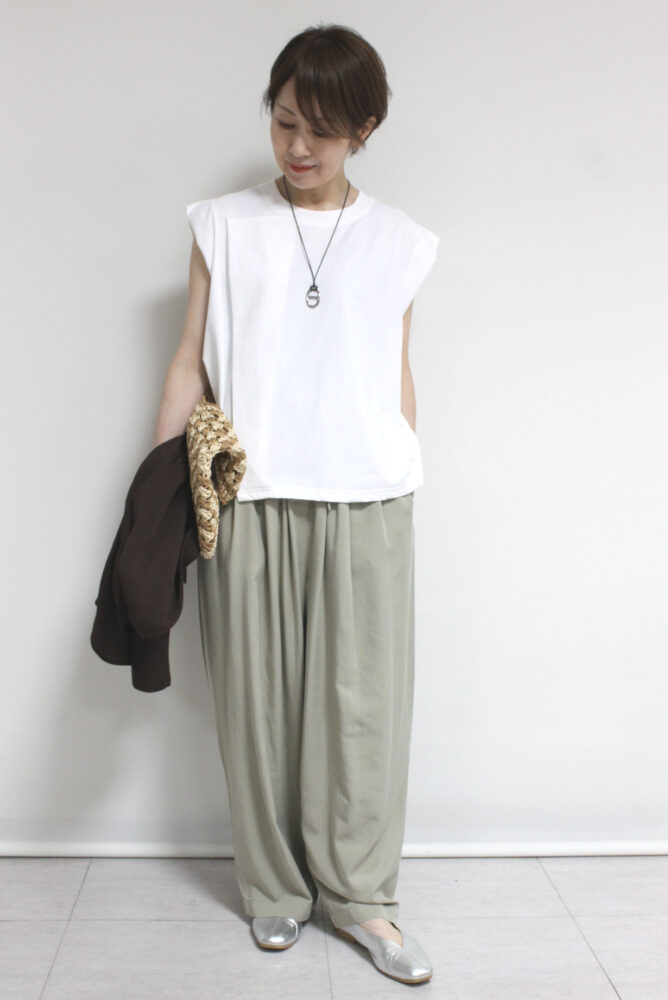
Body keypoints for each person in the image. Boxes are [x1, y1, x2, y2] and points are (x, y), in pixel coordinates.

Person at [153, 23, 439, 986]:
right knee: (257, 707)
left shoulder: (401, 241)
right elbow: (188, 364)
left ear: (365, 129)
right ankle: (274, 888)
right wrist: (155, 494)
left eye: (321, 129)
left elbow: (396, 371)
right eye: (283, 123)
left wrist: (403, 467)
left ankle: (363, 899)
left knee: (364, 713)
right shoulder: (222, 226)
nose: (298, 147)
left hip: (367, 501)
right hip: (251, 497)